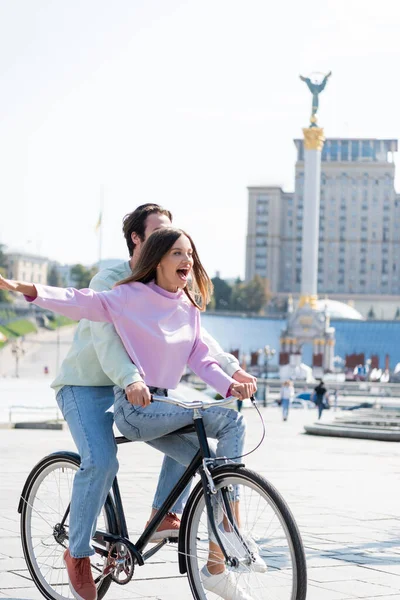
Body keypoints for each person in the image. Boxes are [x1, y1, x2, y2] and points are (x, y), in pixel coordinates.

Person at [0, 227, 261, 600]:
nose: (186, 260)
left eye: (189, 253)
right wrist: (26, 289)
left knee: (219, 446)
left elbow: (199, 356)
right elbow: (79, 300)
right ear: (155, 259)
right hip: (137, 409)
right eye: (176, 253)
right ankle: (227, 529)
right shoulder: (128, 296)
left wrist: (228, 385)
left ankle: (220, 537)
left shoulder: (187, 306)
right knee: (225, 421)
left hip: (165, 406)